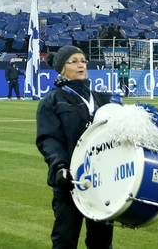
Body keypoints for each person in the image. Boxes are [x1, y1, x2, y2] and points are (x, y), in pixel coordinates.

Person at [36, 45, 115, 249]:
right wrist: (60, 166)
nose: (81, 65)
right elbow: (48, 139)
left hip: (101, 183)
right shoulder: (52, 101)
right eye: (74, 61)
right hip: (68, 182)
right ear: (62, 69)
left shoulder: (102, 99)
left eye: (83, 60)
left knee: (101, 242)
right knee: (65, 240)